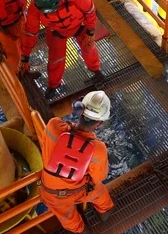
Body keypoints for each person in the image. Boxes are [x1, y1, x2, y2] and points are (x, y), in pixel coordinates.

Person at [39, 91, 115, 234]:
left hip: (50, 193)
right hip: (79, 192)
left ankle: (81, 230)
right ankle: (105, 219)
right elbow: (99, 178)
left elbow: (46, 146)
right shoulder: (98, 150)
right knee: (102, 197)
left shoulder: (53, 126)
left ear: (79, 110)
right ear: (99, 123)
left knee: (72, 223)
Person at [20, 0, 105, 99]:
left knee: (89, 48)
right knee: (56, 59)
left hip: (80, 26)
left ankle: (96, 70)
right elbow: (31, 33)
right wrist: (25, 56)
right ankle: (53, 86)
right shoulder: (34, 9)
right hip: (57, 32)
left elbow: (89, 10)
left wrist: (91, 30)